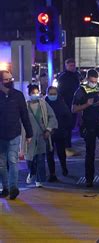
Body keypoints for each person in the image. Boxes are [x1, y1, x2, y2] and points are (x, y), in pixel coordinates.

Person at [72, 69, 99, 187]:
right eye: (91, 81)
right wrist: (87, 104)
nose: (93, 83)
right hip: (89, 123)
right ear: (87, 79)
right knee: (90, 152)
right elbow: (74, 109)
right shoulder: (81, 91)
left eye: (95, 81)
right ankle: (89, 179)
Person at [0, 70, 33, 200]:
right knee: (1, 163)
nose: (10, 82)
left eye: (10, 79)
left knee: (13, 161)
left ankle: (13, 188)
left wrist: (29, 133)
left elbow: (24, 115)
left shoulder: (18, 95)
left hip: (14, 133)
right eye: (6, 80)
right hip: (0, 135)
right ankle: (6, 187)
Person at [24, 84, 58, 188]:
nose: (35, 94)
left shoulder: (44, 105)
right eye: (33, 93)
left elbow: (52, 117)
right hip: (29, 137)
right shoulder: (25, 106)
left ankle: (39, 180)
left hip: (42, 135)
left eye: (37, 92)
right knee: (30, 158)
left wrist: (48, 129)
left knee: (40, 158)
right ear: (29, 94)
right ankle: (31, 172)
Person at [45, 86, 71, 181]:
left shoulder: (61, 103)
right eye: (50, 94)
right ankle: (52, 174)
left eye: (54, 94)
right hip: (48, 133)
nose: (52, 96)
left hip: (60, 132)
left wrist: (66, 129)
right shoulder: (44, 104)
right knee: (49, 154)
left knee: (61, 153)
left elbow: (68, 116)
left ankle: (64, 168)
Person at [57, 58, 81, 153]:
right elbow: (61, 92)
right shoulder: (63, 77)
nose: (72, 67)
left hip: (74, 104)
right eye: (70, 65)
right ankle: (66, 147)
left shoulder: (76, 75)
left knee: (71, 126)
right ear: (66, 66)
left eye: (73, 65)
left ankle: (68, 146)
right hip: (66, 105)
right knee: (66, 126)